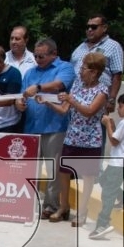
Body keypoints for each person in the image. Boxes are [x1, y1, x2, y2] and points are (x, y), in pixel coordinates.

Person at [44, 52, 109, 225]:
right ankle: (64, 206)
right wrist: (48, 102)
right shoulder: (77, 87)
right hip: (72, 136)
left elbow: (89, 112)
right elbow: (65, 110)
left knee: (87, 176)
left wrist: (72, 100)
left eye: (83, 68)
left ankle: (82, 211)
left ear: (94, 72)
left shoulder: (102, 91)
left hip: (90, 139)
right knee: (63, 171)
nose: (80, 72)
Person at [16, 38, 76, 219]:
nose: (37, 59)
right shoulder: (30, 73)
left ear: (53, 54)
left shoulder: (64, 68)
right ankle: (27, 202)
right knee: (30, 168)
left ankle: (50, 205)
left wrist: (39, 87)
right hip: (32, 126)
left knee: (52, 170)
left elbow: (59, 85)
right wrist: (19, 103)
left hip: (55, 127)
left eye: (41, 56)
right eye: (35, 55)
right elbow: (21, 94)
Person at [90, 91, 124, 240]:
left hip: (119, 162)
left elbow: (114, 141)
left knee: (107, 192)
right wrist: (112, 125)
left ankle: (103, 224)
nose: (118, 109)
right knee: (105, 182)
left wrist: (108, 123)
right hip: (123, 161)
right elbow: (118, 136)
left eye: (121, 106)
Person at [71, 14, 124, 113]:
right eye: (87, 27)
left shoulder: (113, 46)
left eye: (94, 27)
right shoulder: (80, 47)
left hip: (97, 98)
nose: (90, 30)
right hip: (76, 97)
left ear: (104, 28)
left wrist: (112, 99)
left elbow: (117, 75)